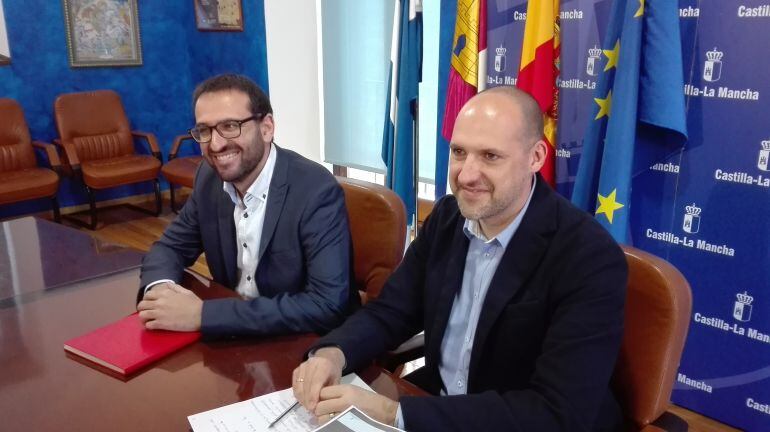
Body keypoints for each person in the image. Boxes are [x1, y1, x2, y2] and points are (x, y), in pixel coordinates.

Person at [292, 86, 628, 431]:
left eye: (490, 156)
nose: (466, 175)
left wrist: (393, 413)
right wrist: (333, 353)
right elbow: (392, 310)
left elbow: (556, 412)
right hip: (437, 401)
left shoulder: (589, 257)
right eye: (458, 152)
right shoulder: (447, 218)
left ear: (536, 157)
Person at [137, 74, 357, 338]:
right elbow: (170, 247)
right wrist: (160, 291)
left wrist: (204, 315)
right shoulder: (208, 178)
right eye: (204, 130)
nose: (216, 144)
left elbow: (326, 305)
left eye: (230, 126)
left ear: (267, 128)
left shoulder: (315, 190)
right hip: (232, 338)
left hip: (301, 341)